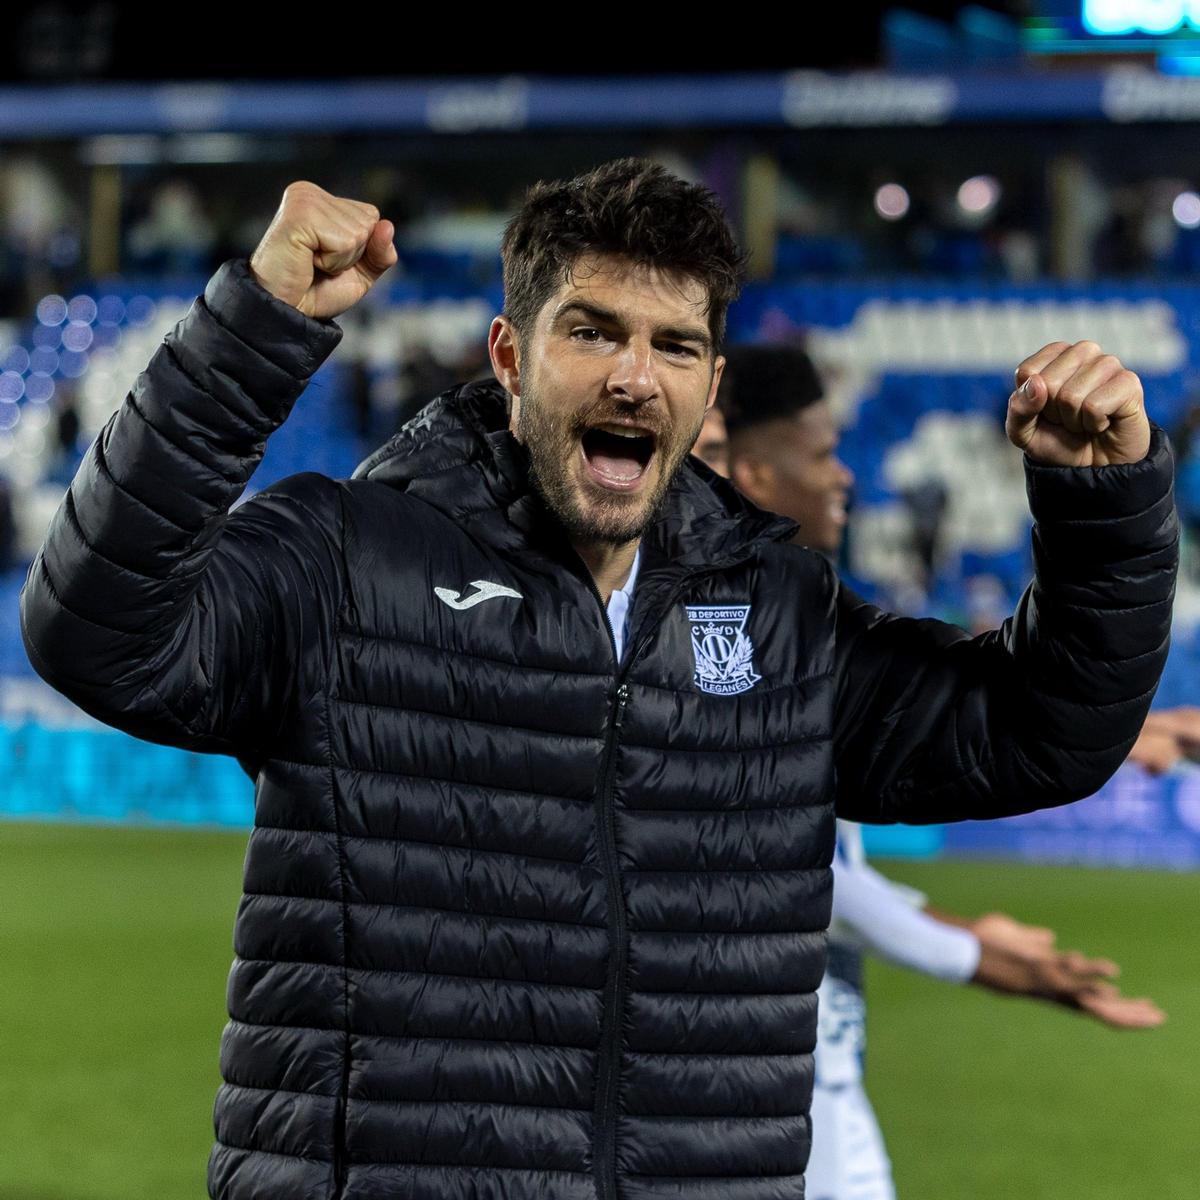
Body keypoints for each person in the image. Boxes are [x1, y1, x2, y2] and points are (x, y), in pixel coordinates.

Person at [20, 161, 1177, 1200]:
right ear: (511, 358)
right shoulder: (346, 560)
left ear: (710, 388)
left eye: (674, 346)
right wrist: (251, 333)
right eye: (592, 331)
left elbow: (1040, 733)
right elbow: (97, 630)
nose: (635, 377)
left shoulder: (778, 615)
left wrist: (1103, 509)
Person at [719, 342, 1178, 1200]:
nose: (845, 477)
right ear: (751, 471)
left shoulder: (799, 636)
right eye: (820, 454)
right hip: (758, 1095)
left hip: (816, 1067)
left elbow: (819, 857)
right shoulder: (694, 645)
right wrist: (968, 953)